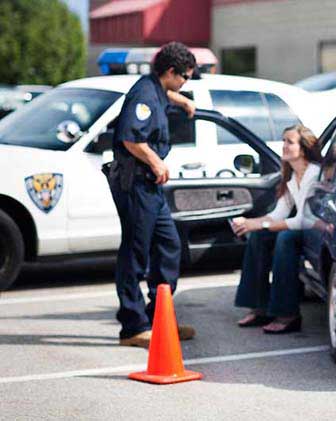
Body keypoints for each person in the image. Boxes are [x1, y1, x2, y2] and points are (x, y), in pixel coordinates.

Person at [108, 42, 197, 348]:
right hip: (136, 183)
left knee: (169, 245)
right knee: (135, 252)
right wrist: (157, 161)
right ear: (170, 72)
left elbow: (163, 97)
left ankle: (159, 318)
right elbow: (131, 138)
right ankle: (132, 327)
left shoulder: (156, 89)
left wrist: (182, 100)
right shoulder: (144, 94)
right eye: (184, 77)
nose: (185, 82)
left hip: (150, 187)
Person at [230, 124, 323, 334]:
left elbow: (304, 220)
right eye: (283, 141)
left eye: (289, 142)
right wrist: (249, 222)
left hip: (317, 230)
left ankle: (287, 314)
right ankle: (259, 307)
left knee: (285, 238)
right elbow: (278, 215)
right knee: (259, 236)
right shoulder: (291, 177)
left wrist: (260, 223)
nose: (284, 146)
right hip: (303, 227)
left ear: (304, 147)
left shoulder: (313, 174)